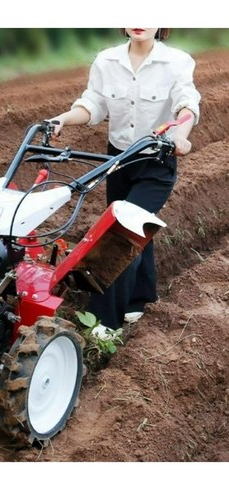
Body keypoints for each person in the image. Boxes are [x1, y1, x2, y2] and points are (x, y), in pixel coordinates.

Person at [48, 28, 201, 337]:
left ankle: (105, 323)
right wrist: (63, 118)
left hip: (156, 161)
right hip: (118, 161)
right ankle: (141, 299)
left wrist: (180, 137)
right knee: (137, 226)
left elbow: (186, 104)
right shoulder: (107, 61)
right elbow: (93, 104)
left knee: (121, 235)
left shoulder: (177, 62)